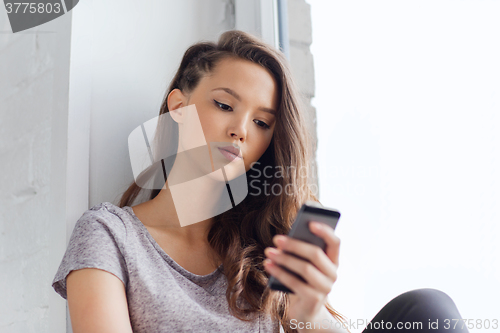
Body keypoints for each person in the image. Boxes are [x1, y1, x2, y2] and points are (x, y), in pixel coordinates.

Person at [52, 30, 469, 333]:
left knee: (427, 309)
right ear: (178, 106)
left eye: (261, 122)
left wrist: (309, 318)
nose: (240, 130)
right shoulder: (109, 235)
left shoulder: (263, 246)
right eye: (223, 105)